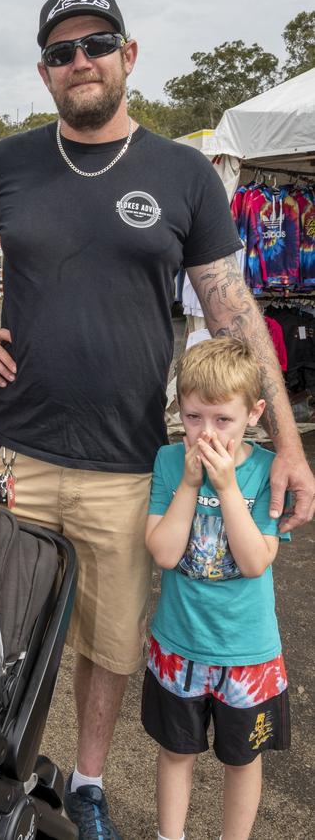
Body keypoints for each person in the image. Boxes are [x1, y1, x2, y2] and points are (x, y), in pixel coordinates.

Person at [0, 0, 315, 839]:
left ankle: (90, 783)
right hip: (18, 455)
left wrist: (287, 446)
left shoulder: (182, 172)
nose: (81, 62)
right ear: (45, 72)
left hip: (126, 466)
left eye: (96, 44)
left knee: (108, 647)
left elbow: (234, 310)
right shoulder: (5, 164)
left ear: (128, 55)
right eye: (62, 52)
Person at [143, 337, 290, 840]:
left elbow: (255, 562)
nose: (206, 433)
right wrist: (188, 485)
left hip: (246, 652)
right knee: (175, 750)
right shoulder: (168, 463)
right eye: (193, 417)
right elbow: (163, 552)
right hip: (179, 644)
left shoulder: (268, 471)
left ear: (254, 413)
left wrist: (227, 488)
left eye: (222, 420)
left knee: (243, 761)